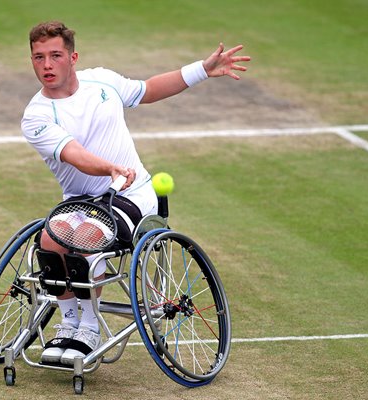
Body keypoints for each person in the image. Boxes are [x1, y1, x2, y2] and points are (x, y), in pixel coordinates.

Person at [21, 21, 250, 365]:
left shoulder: (103, 82)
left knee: (84, 238)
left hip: (133, 193)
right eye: (39, 58)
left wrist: (201, 70)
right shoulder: (35, 115)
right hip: (80, 200)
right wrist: (108, 168)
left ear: (73, 57)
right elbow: (75, 156)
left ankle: (88, 327)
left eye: (55, 55)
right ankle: (69, 322)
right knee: (50, 242)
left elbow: (148, 89)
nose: (47, 65)